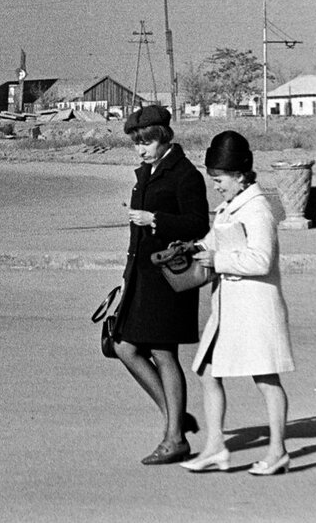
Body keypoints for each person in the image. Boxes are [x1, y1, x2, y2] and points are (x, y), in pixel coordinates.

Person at [181, 130, 296, 476]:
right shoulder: (230, 206)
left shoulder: (258, 209)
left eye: (219, 180)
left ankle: (278, 452)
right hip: (230, 308)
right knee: (206, 371)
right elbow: (213, 242)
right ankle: (216, 446)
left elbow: (261, 260)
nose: (215, 186)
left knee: (265, 378)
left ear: (241, 175)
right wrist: (189, 250)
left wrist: (218, 260)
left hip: (256, 308)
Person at [110, 104, 211, 465]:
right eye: (137, 143)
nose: (141, 149)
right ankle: (176, 416)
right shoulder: (147, 172)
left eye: (147, 142)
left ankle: (175, 438)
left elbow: (199, 225)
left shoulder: (184, 174)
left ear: (164, 137)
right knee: (122, 345)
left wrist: (157, 219)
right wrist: (127, 278)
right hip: (141, 278)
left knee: (163, 353)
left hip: (168, 280)